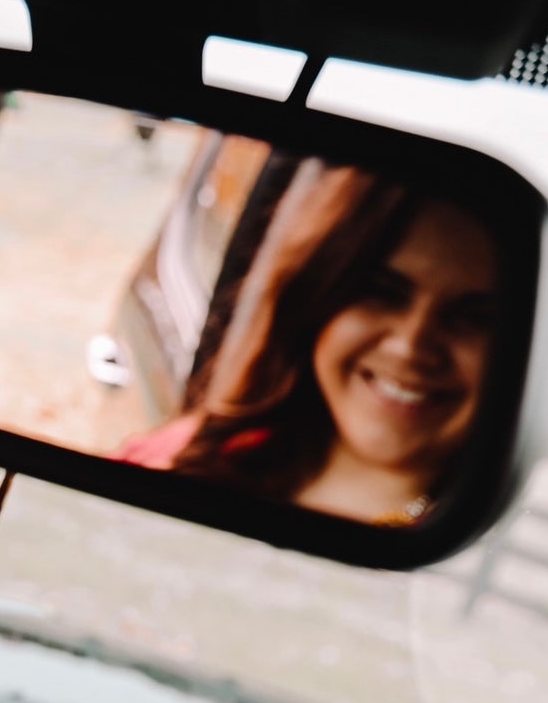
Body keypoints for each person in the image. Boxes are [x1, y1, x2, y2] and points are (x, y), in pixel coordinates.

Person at [118, 160, 498, 525]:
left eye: (476, 318)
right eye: (383, 292)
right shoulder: (194, 453)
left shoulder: (473, 550)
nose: (411, 346)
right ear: (319, 297)